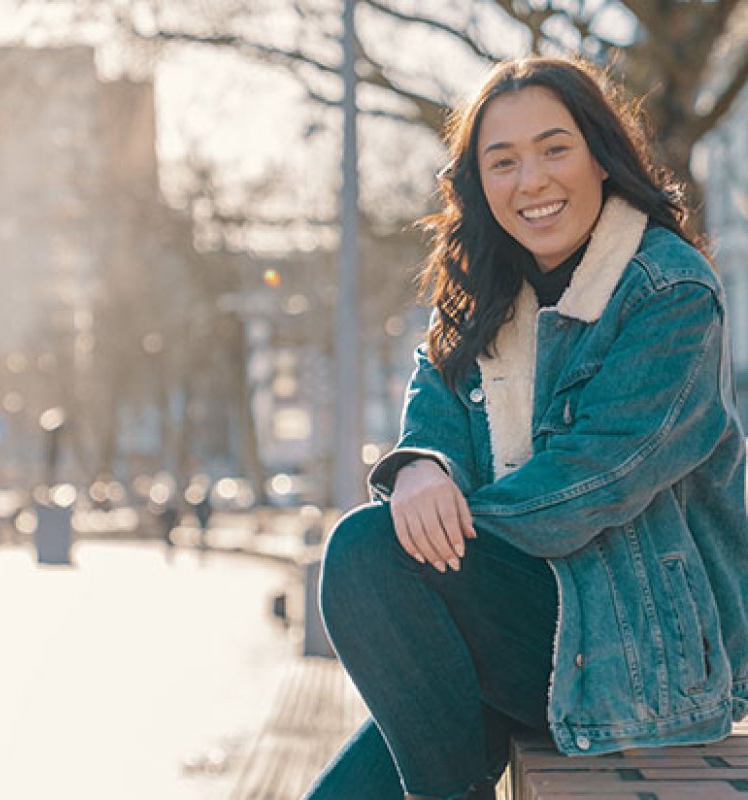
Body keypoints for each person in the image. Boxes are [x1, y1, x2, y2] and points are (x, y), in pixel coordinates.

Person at [302, 56, 748, 800]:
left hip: (640, 651)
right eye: (501, 162)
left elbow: (598, 477)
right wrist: (419, 472)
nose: (531, 180)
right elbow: (433, 417)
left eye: (554, 149)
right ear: (479, 184)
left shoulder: (669, 291)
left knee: (368, 552)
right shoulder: (482, 294)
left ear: (602, 157)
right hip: (521, 628)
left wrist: (442, 527)